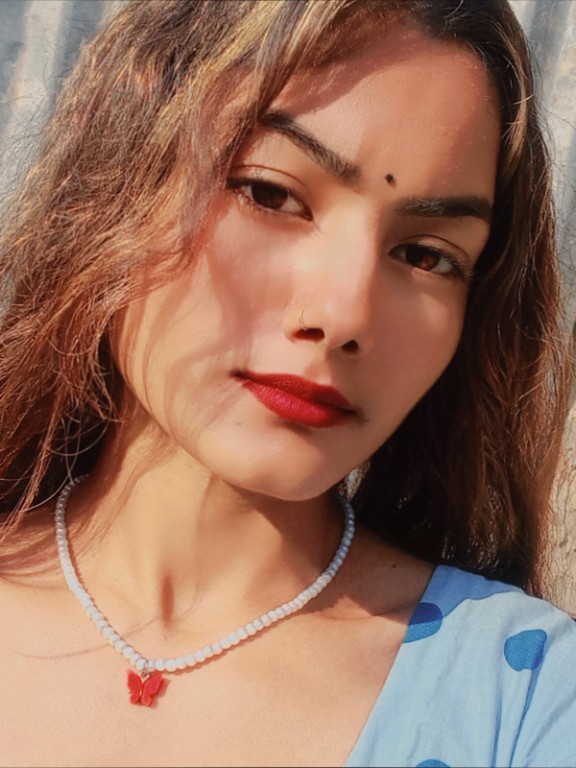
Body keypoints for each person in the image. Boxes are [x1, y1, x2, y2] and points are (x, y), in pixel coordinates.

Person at [0, 0, 574, 765]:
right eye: (270, 194)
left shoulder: (527, 701)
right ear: (114, 175)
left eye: (426, 255)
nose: (343, 315)